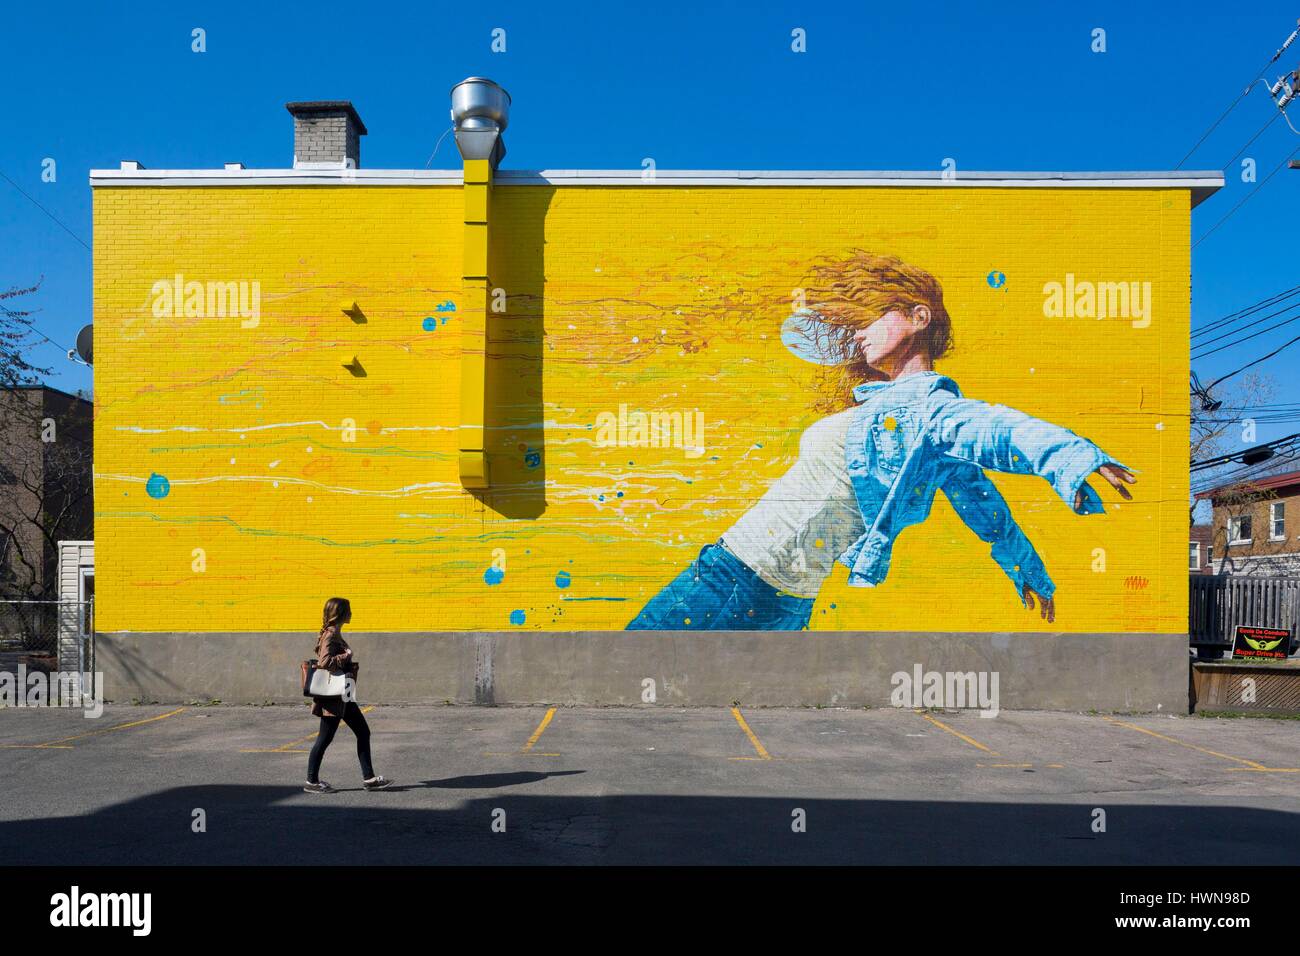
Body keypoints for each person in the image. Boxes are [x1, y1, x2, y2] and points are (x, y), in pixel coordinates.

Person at [626, 251, 1136, 631]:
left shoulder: (933, 413)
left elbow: (997, 429)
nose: (861, 334)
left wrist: (1074, 457)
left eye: (874, 316)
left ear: (919, 317)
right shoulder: (890, 415)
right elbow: (988, 510)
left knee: (627, 682)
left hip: (735, 578)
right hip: (784, 597)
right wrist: (1029, 571)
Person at [304, 597, 392, 793]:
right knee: (325, 738)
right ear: (341, 613)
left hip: (343, 694)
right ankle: (312, 781)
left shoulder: (333, 633)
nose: (352, 613)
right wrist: (347, 655)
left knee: (362, 732)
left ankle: (369, 778)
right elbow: (325, 661)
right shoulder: (331, 634)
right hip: (333, 696)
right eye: (349, 610)